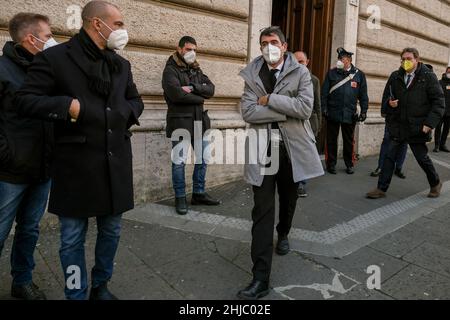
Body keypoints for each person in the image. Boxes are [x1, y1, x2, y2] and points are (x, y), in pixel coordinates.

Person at [15, 0, 144, 300]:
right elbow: (24, 99)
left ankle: (101, 285)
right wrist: (67, 106)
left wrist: (123, 112)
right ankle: (76, 292)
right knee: (72, 239)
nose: (123, 30)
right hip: (76, 168)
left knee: (111, 233)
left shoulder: (121, 63)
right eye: (120, 23)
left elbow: (135, 101)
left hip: (116, 166)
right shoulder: (56, 58)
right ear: (98, 24)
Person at [237, 27, 323, 300]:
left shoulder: (301, 73)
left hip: (291, 149)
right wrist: (286, 108)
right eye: (264, 43)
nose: (268, 47)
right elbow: (248, 111)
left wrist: (271, 99)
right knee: (261, 211)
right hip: (263, 149)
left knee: (288, 199)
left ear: (284, 46)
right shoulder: (252, 73)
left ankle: (283, 232)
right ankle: (260, 277)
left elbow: (305, 109)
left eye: (274, 42)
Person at [0, 12, 57, 300]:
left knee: (29, 230)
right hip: (10, 171)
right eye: (47, 36)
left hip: (42, 168)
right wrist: (5, 156)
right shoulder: (2, 70)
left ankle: (21, 281)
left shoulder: (45, 70)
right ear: (29, 39)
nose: (52, 41)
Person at [366, 48, 445, 200]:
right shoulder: (395, 76)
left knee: (422, 158)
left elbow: (439, 102)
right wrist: (390, 104)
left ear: (417, 59)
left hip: (418, 126)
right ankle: (381, 188)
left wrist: (430, 123)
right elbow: (386, 99)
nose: (405, 62)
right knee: (389, 157)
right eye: (402, 59)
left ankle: (435, 183)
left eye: (408, 58)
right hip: (398, 125)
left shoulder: (428, 77)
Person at [162, 36, 220, 215]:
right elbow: (176, 95)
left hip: (199, 122)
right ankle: (180, 197)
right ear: (180, 49)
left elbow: (211, 89)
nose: (191, 53)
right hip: (180, 122)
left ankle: (198, 193)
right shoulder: (170, 70)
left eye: (194, 49)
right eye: (188, 49)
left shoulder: (196, 69)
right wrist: (200, 97)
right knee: (179, 162)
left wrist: (193, 87)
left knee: (203, 159)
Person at [322, 47, 369, 175]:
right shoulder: (332, 73)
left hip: (349, 113)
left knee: (349, 141)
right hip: (332, 112)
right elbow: (324, 93)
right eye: (339, 59)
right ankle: (331, 164)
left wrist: (364, 111)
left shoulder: (359, 75)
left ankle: (350, 164)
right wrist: (324, 108)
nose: (340, 61)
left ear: (349, 60)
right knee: (331, 140)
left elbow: (363, 96)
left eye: (342, 59)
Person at [294, 51, 321, 197]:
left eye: (301, 62)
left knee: (304, 154)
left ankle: (301, 184)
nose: (299, 64)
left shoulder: (314, 80)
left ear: (307, 62)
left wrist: (319, 123)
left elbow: (318, 103)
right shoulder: (287, 78)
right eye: (295, 61)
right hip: (292, 122)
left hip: (309, 123)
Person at [434, 66, 450, 153]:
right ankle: (436, 145)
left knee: (446, 129)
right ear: (445, 72)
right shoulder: (439, 83)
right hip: (440, 110)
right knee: (438, 128)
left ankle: (442, 145)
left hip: (449, 112)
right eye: (448, 72)